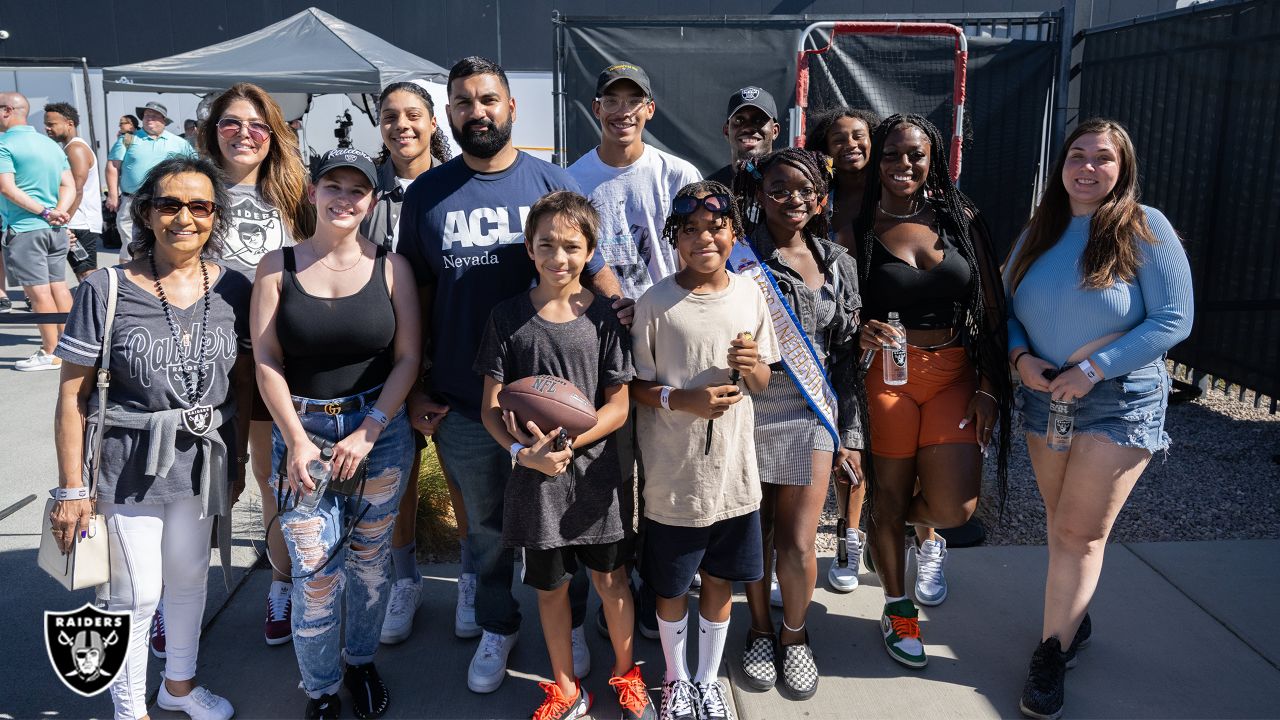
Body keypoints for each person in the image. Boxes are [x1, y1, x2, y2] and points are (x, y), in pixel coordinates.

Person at [396, 56, 624, 694]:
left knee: (570, 519)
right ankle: (498, 623)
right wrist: (415, 384)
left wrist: (624, 315)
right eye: (464, 102)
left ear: (511, 107)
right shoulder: (427, 194)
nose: (478, 112)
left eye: (489, 99)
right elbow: (410, 292)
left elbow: (593, 265)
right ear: (450, 113)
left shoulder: (548, 181)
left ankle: (570, 621)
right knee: (490, 526)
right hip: (474, 400)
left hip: (560, 400)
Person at [1004, 118, 1192, 719]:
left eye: (1102, 158)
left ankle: (1050, 653)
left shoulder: (1144, 228)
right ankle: (1073, 621)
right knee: (1062, 525)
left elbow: (1173, 321)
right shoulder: (1041, 228)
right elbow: (1005, 308)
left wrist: (1095, 368)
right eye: (1076, 155)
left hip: (1118, 399)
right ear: (1061, 167)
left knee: (1080, 535)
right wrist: (1020, 357)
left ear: (1122, 168)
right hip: (1044, 396)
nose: (1087, 167)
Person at [51, 155, 250, 720]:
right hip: (125, 462)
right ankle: (129, 708)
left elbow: (240, 386)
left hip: (202, 461)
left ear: (216, 214)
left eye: (200, 205)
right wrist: (71, 489)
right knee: (131, 595)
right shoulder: (105, 288)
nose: (185, 217)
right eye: (170, 204)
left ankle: (179, 688)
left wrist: (235, 466)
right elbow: (72, 396)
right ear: (145, 211)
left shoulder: (234, 287)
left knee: (189, 579)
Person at [251, 148, 419, 719]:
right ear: (313, 193)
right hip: (305, 434)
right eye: (333, 186)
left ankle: (362, 660)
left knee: (371, 564)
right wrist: (297, 438)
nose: (344, 199)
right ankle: (320, 688)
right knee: (315, 572)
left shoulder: (392, 267)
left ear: (372, 200)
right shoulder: (278, 267)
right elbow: (267, 359)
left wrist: (371, 429)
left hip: (378, 435)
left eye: (357, 190)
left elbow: (408, 358)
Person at [476, 191, 653, 720]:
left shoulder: (605, 318)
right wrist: (521, 455)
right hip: (535, 481)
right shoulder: (507, 317)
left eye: (572, 246)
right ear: (529, 248)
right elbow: (490, 407)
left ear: (590, 250)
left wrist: (570, 442)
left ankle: (627, 673)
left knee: (612, 580)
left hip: (601, 478)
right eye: (546, 244)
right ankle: (565, 688)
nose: (559, 257)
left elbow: (619, 406)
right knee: (551, 589)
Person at [852, 114, 1010, 668]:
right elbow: (839, 306)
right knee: (890, 493)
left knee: (954, 507)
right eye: (891, 154)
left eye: (915, 154)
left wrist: (991, 383)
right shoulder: (857, 223)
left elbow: (993, 304)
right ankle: (898, 610)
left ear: (933, 158)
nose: (903, 165)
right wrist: (857, 329)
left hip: (954, 374)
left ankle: (883, 529)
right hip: (886, 376)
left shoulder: (961, 219)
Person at [631, 180, 778, 720]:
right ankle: (674, 680)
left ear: (734, 233)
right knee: (671, 587)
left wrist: (753, 365)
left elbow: (764, 383)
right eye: (689, 230)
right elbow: (637, 388)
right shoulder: (656, 303)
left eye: (716, 227)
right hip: (673, 479)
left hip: (735, 478)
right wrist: (682, 399)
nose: (703, 238)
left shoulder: (750, 293)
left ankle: (707, 679)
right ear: (674, 238)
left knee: (720, 581)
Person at [730, 148, 864, 699]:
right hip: (751, 409)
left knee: (800, 542)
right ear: (759, 195)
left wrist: (851, 438)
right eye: (779, 187)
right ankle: (759, 629)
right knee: (754, 537)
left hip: (812, 410)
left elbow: (849, 360)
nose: (793, 199)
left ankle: (795, 634)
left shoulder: (839, 262)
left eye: (805, 190)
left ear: (821, 198)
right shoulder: (739, 259)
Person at [197, 82, 316, 647]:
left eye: (257, 125)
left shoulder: (293, 194)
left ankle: (282, 583)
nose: (244, 134)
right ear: (211, 129)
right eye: (230, 123)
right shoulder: (188, 187)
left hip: (268, 357)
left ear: (274, 136)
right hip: (199, 358)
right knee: (200, 483)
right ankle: (183, 594)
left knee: (272, 481)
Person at [361, 78, 459, 646]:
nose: (402, 124)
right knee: (393, 477)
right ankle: (405, 579)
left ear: (432, 122)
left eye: (414, 114)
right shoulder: (364, 191)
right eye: (391, 115)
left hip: (449, 353)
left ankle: (471, 576)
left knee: (463, 473)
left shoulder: (454, 188)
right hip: (385, 359)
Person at [802, 107, 880, 593]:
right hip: (827, 334)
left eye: (859, 135)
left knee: (871, 441)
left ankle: (857, 533)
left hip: (881, 335)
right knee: (833, 437)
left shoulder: (892, 195)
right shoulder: (813, 201)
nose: (850, 144)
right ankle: (831, 537)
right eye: (839, 137)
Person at [568, 62, 701, 298]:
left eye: (633, 101)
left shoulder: (680, 175)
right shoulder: (571, 181)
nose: (623, 111)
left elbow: (699, 255)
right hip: (601, 324)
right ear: (596, 109)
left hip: (667, 319)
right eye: (611, 101)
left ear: (649, 110)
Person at [0, 91, 75, 371]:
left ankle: (50, 350)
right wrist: (59, 211)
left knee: (39, 293)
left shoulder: (3, 144)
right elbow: (69, 185)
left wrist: (46, 212)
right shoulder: (50, 145)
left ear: (7, 110)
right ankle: (69, 348)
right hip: (54, 228)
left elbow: (7, 188)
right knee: (58, 287)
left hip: (27, 227)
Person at [108, 101, 197, 260]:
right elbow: (113, 167)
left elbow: (194, 167)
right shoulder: (128, 140)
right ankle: (126, 276)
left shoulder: (179, 143)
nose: (150, 119)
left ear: (164, 120)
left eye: (155, 116)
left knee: (162, 242)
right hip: (131, 200)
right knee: (129, 244)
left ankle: (158, 275)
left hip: (164, 202)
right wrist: (113, 195)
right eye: (147, 115)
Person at [44, 102, 104, 281]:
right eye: (46, 124)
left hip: (79, 222)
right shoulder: (70, 147)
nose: (47, 128)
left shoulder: (75, 149)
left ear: (69, 123)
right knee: (83, 273)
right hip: (75, 220)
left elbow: (77, 190)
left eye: (52, 124)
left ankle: (97, 307)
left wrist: (64, 222)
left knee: (87, 274)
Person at [706, 87, 780, 188]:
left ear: (774, 131)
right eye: (739, 120)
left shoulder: (790, 184)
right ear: (726, 131)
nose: (748, 128)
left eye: (758, 120)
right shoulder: (710, 189)